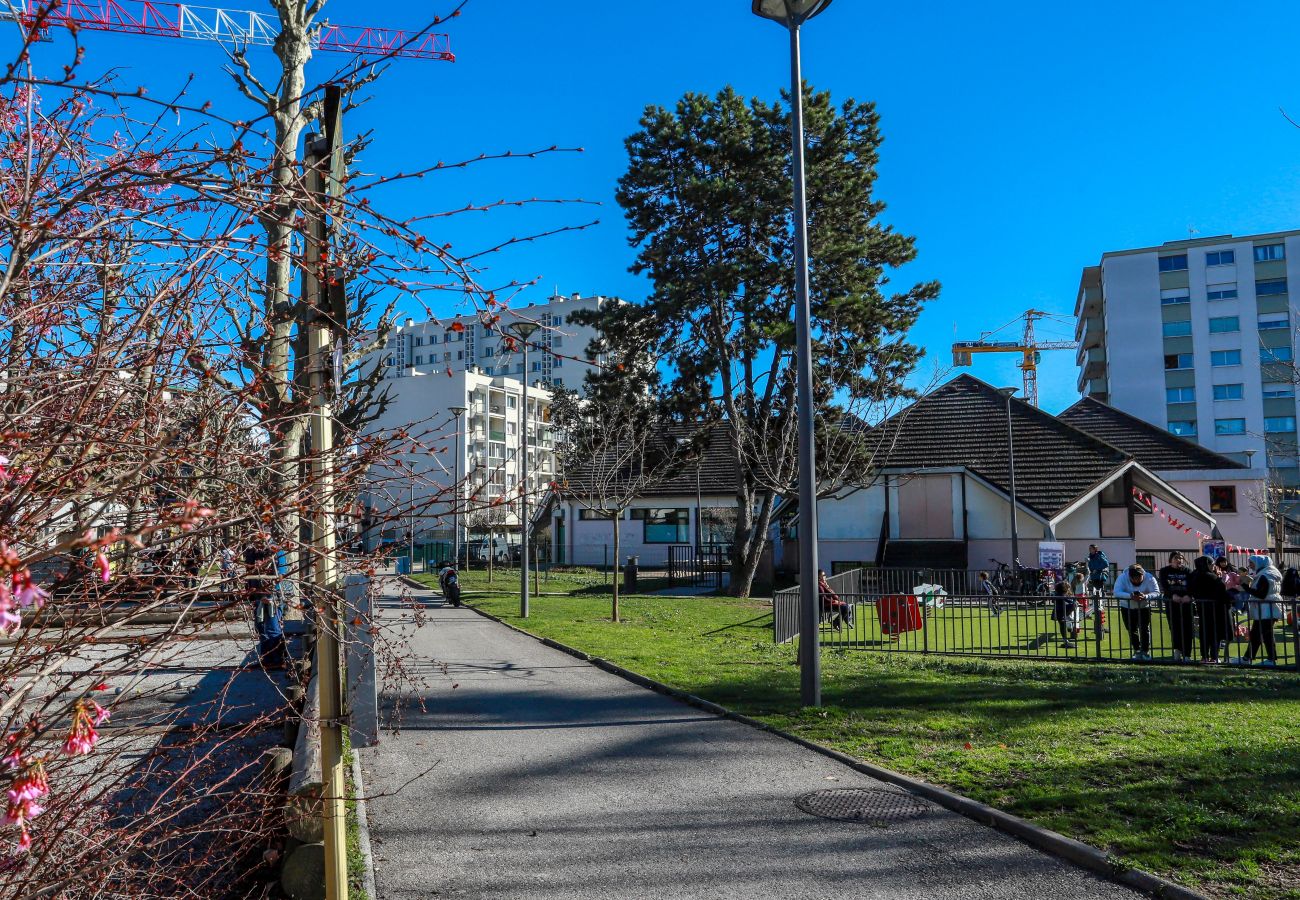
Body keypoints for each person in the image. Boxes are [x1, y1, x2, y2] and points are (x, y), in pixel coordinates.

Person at [1234, 555, 1284, 666]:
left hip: (1266, 608)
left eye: (1251, 563)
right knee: (1263, 634)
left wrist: (1247, 588)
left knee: (1260, 634)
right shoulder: (1270, 573)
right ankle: (1252, 658)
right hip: (1269, 607)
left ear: (1259, 563)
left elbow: (1262, 594)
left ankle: (1253, 659)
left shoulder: (1265, 575)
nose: (1250, 565)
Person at [1188, 555, 1230, 664]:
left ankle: (1204, 657)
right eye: (1212, 564)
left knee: (1204, 633)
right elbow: (1222, 591)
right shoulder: (1212, 577)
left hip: (1201, 608)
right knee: (1215, 634)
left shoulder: (1193, 575)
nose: (1213, 566)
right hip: (1215, 609)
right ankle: (1214, 657)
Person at [1113, 563, 1159, 660]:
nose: (1136, 579)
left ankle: (1145, 651)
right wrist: (1130, 596)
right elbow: (1116, 592)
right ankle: (1137, 650)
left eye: (1139, 577)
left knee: (1144, 629)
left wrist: (1146, 596)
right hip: (1127, 607)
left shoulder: (1149, 577)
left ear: (1143, 575)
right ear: (1129, 576)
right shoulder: (1122, 577)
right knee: (1131, 629)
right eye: (1133, 577)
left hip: (1144, 607)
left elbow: (1156, 592)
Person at [1158, 552, 1194, 662]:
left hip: (1186, 603)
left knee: (1187, 628)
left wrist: (1189, 595)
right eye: (1176, 558)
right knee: (1174, 627)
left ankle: (1187, 654)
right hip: (1172, 603)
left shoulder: (1188, 571)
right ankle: (1177, 650)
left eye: (1181, 558)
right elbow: (1165, 585)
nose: (1179, 560)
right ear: (1171, 560)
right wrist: (1172, 595)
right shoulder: (1164, 571)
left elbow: (1192, 585)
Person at [1051, 581, 1078, 648]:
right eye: (1068, 588)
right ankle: (1066, 641)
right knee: (1074, 605)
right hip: (1061, 613)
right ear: (1064, 588)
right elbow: (1069, 600)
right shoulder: (1061, 595)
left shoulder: (1057, 593)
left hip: (1059, 612)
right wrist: (1074, 601)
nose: (1068, 590)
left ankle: (1065, 641)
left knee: (1062, 626)